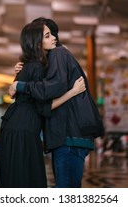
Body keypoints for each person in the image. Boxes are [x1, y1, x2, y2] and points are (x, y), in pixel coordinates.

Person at [9, 17, 104, 188]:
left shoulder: (58, 54)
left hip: (69, 136)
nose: (53, 37)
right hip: (68, 136)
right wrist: (23, 72)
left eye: (51, 34)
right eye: (47, 35)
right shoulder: (54, 58)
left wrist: (20, 84)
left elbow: (52, 87)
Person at [0, 21, 86, 188]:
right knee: (27, 183)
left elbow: (13, 92)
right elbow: (43, 106)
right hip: (24, 130)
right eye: (47, 35)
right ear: (37, 42)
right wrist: (73, 92)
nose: (54, 38)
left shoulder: (31, 65)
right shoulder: (38, 67)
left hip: (15, 127)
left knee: (14, 180)